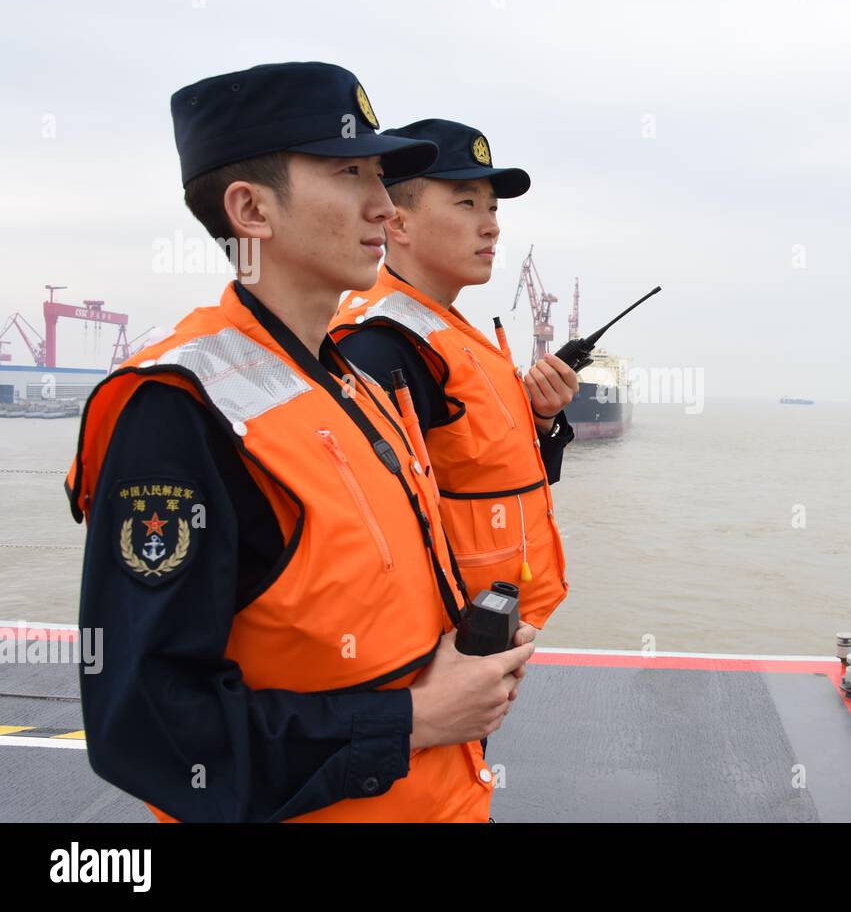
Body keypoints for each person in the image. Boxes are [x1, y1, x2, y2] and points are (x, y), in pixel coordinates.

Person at [65, 63, 533, 822]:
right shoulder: (181, 412)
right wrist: (415, 719)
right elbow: (146, 727)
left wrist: (467, 655)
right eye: (351, 172)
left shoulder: (352, 384)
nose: (384, 205)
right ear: (250, 209)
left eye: (380, 175)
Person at [331, 118, 577, 633]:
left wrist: (543, 420)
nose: (491, 225)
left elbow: (486, 474)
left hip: (494, 621)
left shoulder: (450, 330)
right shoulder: (381, 345)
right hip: (445, 639)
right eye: (466, 204)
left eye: (492, 207)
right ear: (396, 222)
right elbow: (366, 534)